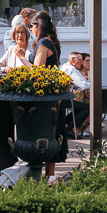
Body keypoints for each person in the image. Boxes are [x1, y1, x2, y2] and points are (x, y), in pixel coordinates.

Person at [28, 10, 69, 177]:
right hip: (53, 94)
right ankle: (50, 177)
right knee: (51, 134)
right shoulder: (51, 41)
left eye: (31, 26)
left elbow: (38, 70)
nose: (30, 29)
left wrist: (22, 59)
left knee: (45, 134)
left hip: (44, 96)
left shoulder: (44, 43)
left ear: (39, 26)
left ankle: (47, 177)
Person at [61, 52, 91, 137]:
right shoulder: (71, 69)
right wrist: (95, 85)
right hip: (63, 99)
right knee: (86, 108)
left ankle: (64, 125)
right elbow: (84, 85)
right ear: (72, 60)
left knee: (79, 107)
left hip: (59, 98)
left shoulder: (63, 66)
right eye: (80, 59)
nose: (81, 62)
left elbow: (75, 84)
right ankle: (68, 129)